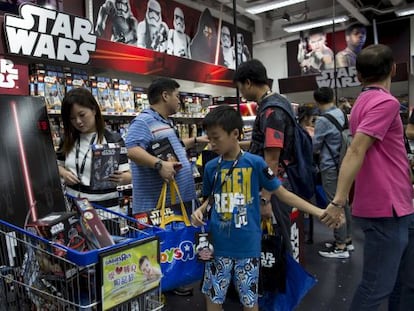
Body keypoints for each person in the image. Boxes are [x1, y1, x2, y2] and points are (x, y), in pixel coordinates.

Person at [191, 105, 327, 311]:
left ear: (235, 134)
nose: (211, 144)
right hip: (217, 246)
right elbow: (210, 198)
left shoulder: (255, 164)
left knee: (250, 299)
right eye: (209, 138)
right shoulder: (211, 167)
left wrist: (319, 212)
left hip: (248, 247)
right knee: (213, 298)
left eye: (216, 138)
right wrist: (200, 210)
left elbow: (283, 194)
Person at [321, 44, 414, 310]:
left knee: (401, 281)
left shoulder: (361, 102)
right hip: (388, 207)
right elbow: (356, 149)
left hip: (395, 203)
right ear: (394, 70)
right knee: (377, 287)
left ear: (359, 76)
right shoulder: (386, 102)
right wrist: (338, 201)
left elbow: (379, 153)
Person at [125, 77, 207, 296]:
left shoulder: (164, 121)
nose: (179, 101)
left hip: (175, 200)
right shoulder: (144, 121)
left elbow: (173, 147)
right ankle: (157, 288)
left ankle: (173, 279)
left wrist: (199, 141)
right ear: (165, 95)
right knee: (158, 244)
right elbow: (131, 149)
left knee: (173, 243)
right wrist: (159, 164)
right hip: (156, 203)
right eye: (177, 96)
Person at [233, 59, 296, 254]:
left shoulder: (271, 110)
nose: (241, 93)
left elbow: (272, 157)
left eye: (240, 87)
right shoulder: (276, 102)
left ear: (248, 83)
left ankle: (284, 282)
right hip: (277, 183)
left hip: (275, 187)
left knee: (277, 240)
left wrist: (265, 199)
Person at [57, 88, 131, 214]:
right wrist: (64, 174)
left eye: (82, 115)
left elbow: (128, 176)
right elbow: (57, 166)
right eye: (72, 118)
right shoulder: (68, 139)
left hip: (106, 212)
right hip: (74, 209)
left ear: (94, 110)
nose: (78, 122)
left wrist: (121, 178)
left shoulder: (113, 139)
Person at [312, 87, 353, 259]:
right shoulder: (341, 113)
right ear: (333, 97)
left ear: (317, 101)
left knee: (335, 205)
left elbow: (316, 146)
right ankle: (347, 239)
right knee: (344, 202)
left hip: (330, 167)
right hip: (344, 164)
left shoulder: (322, 120)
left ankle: (340, 245)